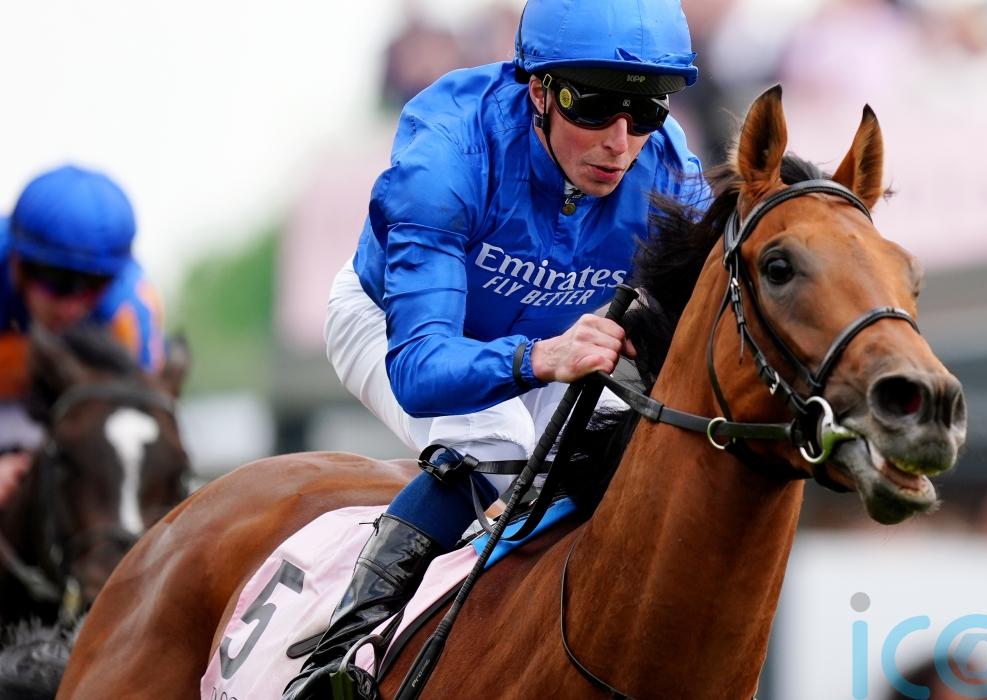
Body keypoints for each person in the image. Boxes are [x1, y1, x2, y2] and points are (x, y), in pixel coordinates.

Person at [285, 0, 708, 698]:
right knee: (496, 445)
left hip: (558, 337)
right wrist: (537, 359)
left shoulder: (667, 169)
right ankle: (336, 658)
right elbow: (420, 370)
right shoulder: (450, 151)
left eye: (645, 111)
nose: (620, 142)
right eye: (595, 107)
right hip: (394, 324)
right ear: (539, 91)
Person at [0, 165, 166, 508]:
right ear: (17, 262)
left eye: (92, 284)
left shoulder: (131, 311)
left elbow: (139, 430)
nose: (72, 306)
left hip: (58, 418)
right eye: (57, 281)